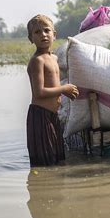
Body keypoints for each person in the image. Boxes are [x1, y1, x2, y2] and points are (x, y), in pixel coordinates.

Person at [26, 14, 79, 166]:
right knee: (44, 162)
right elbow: (39, 92)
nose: (43, 34)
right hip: (40, 117)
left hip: (53, 116)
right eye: (37, 32)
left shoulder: (54, 58)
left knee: (57, 158)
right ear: (31, 39)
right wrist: (64, 89)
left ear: (54, 35)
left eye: (46, 30)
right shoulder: (37, 61)